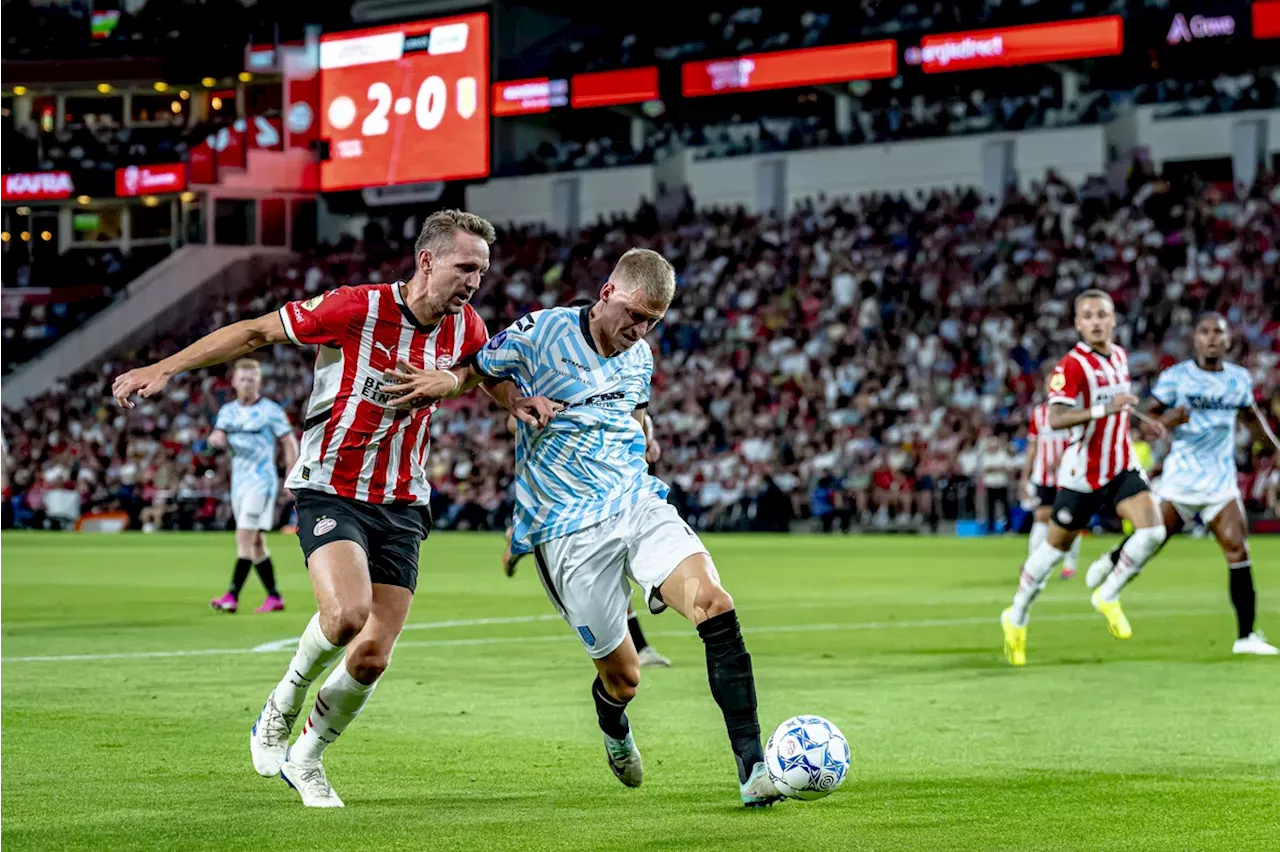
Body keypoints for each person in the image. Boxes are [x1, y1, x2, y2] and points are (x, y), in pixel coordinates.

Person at [113, 210, 555, 808]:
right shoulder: (354, 308)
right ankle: (281, 703)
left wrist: (514, 400)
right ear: (427, 260)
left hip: (402, 499)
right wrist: (163, 368)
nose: (476, 280)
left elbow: (477, 371)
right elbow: (254, 333)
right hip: (331, 487)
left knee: (372, 655)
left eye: (482, 269)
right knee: (347, 615)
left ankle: (308, 757)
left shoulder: (467, 326)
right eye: (466, 267)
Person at [392, 248, 782, 805]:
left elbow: (637, 412)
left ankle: (753, 769)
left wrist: (644, 436)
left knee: (715, 605)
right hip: (567, 530)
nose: (639, 329)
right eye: (635, 314)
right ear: (607, 293)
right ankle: (613, 723)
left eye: (653, 322)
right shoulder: (542, 331)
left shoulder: (639, 355)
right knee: (625, 678)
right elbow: (478, 369)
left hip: (636, 504)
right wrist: (466, 387)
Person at [1084, 313, 1280, 655]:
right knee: (1152, 542)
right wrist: (1167, 420)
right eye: (1205, 332)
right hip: (1180, 480)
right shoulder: (1177, 378)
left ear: (1228, 340)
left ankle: (1246, 637)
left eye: (1218, 333)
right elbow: (1146, 423)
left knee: (1238, 550)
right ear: (1196, 340)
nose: (1212, 339)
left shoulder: (1238, 380)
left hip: (1220, 481)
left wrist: (1276, 450)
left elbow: (1251, 418)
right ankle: (1113, 559)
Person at [1000, 290, 1168, 666]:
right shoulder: (1071, 366)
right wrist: (1104, 407)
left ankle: (1107, 589)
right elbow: (1057, 417)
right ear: (1078, 323)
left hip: (1121, 463)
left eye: (1102, 315)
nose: (1095, 321)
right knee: (1053, 552)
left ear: (1113, 319)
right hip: (1082, 474)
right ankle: (1017, 616)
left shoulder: (1121, 356)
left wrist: (1144, 426)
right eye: (1087, 315)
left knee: (1154, 531)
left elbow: (1120, 411)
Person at [501, 407, 673, 667]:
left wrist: (648, 441)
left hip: (609, 495)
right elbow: (514, 422)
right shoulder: (568, 391)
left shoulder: (624, 397)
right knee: (603, 573)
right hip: (571, 493)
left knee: (612, 571)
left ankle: (641, 647)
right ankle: (519, 542)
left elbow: (640, 430)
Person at [207, 358, 299, 614]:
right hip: (238, 483)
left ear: (259, 381)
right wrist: (215, 439)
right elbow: (217, 439)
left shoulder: (270, 411)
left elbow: (289, 442)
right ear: (234, 382)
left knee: (243, 537)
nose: (247, 383)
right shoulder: (227, 412)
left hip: (261, 482)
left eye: (252, 379)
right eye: (243, 379)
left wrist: (290, 475)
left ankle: (232, 596)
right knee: (255, 543)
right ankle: (274, 597)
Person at [1021, 398, 1082, 579]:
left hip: (1069, 475)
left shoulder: (1072, 412)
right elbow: (1032, 445)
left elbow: (1078, 441)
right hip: (1044, 476)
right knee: (1040, 517)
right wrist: (1026, 475)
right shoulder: (1038, 413)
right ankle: (1033, 565)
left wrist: (1064, 460)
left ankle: (1069, 565)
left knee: (1070, 519)